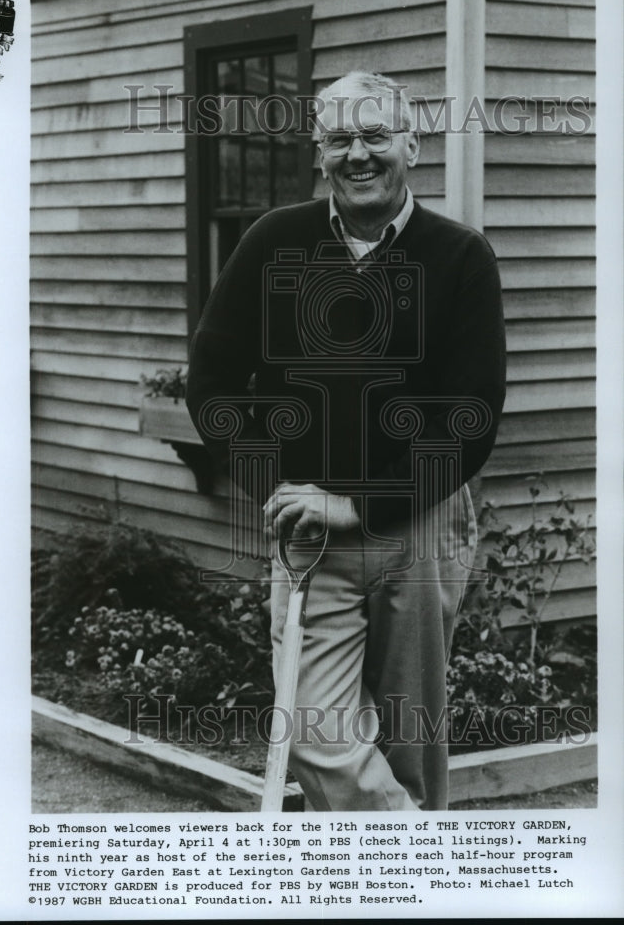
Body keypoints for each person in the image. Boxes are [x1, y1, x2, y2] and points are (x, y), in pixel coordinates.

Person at [186, 70, 506, 811]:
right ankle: (417, 856)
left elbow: (470, 415)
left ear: (411, 147)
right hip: (306, 524)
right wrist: (278, 491)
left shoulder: (458, 257)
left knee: (408, 737)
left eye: (374, 136)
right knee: (312, 727)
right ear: (316, 156)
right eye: (338, 140)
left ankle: (391, 889)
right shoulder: (274, 242)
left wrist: (360, 503)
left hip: (420, 525)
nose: (357, 155)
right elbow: (215, 386)